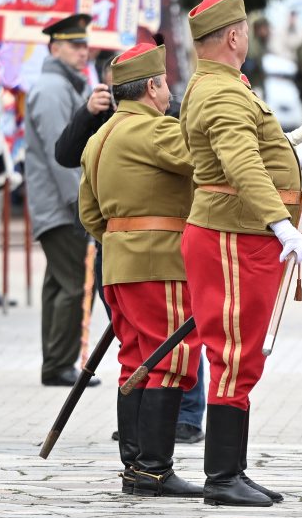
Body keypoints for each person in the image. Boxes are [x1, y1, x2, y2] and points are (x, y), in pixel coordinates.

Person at [179, 0, 302, 507]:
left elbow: (251, 149)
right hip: (235, 234)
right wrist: (281, 225)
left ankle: (232, 470)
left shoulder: (223, 86)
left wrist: (295, 142)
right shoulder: (222, 92)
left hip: (240, 234)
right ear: (235, 36)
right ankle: (222, 476)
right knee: (233, 352)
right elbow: (242, 165)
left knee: (240, 355)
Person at [55, 46, 206, 445]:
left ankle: (137, 463)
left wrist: (122, 240)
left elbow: (89, 213)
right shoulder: (156, 129)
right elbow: (209, 160)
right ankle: (156, 468)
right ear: (151, 87)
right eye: (164, 84)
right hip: (160, 261)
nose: (169, 92)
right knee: (171, 358)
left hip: (118, 263)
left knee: (136, 358)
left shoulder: (100, 136)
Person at [25, 13, 100, 388]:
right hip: (61, 203)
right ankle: (59, 365)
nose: (83, 52)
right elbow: (62, 156)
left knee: (60, 283)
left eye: (85, 44)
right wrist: (79, 203)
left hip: (55, 202)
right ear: (54, 47)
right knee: (74, 284)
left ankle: (56, 362)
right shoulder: (54, 88)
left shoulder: (62, 84)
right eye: (75, 45)